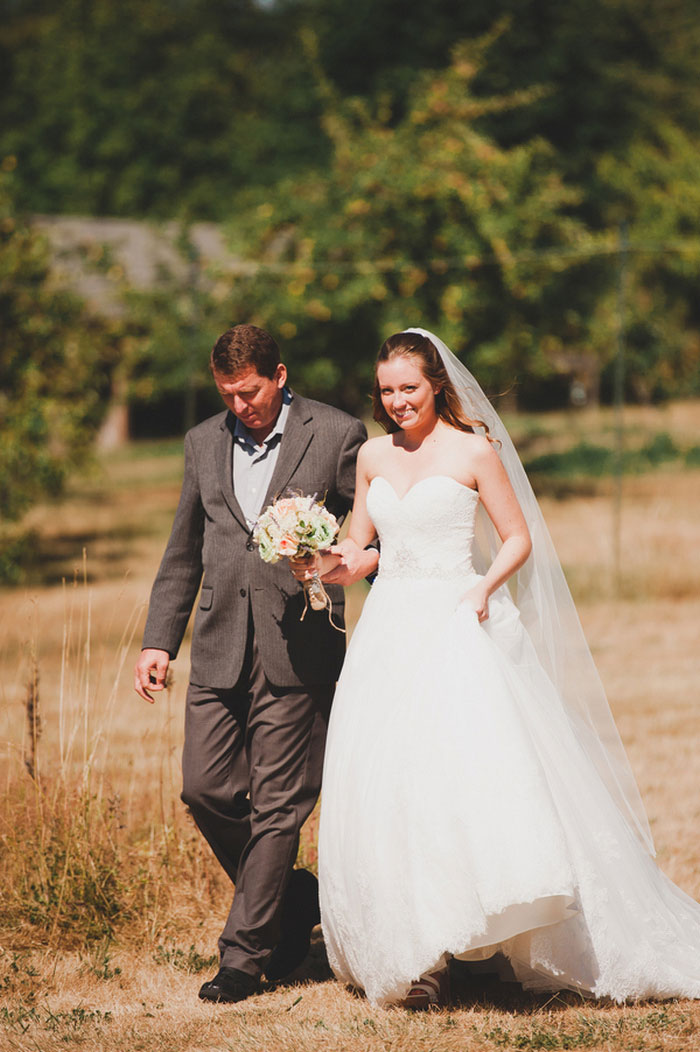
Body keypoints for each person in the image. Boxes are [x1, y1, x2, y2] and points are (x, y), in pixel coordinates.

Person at [309, 328, 700, 1008]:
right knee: (393, 779)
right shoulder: (371, 456)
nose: (398, 400)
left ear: (436, 385)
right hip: (390, 630)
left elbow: (517, 537)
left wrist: (483, 589)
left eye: (410, 387)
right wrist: (322, 563)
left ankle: (483, 934)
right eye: (387, 390)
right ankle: (417, 947)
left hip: (457, 617)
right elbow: (362, 549)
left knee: (466, 775)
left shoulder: (472, 450)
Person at [133, 324, 376, 1004]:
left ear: (279, 375)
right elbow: (184, 548)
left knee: (278, 806)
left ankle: (246, 957)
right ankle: (295, 897)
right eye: (228, 395)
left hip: (299, 642)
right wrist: (159, 640)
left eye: (250, 392)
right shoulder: (201, 443)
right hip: (216, 644)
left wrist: (356, 581)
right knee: (204, 789)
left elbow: (369, 533)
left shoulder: (335, 434)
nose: (240, 406)